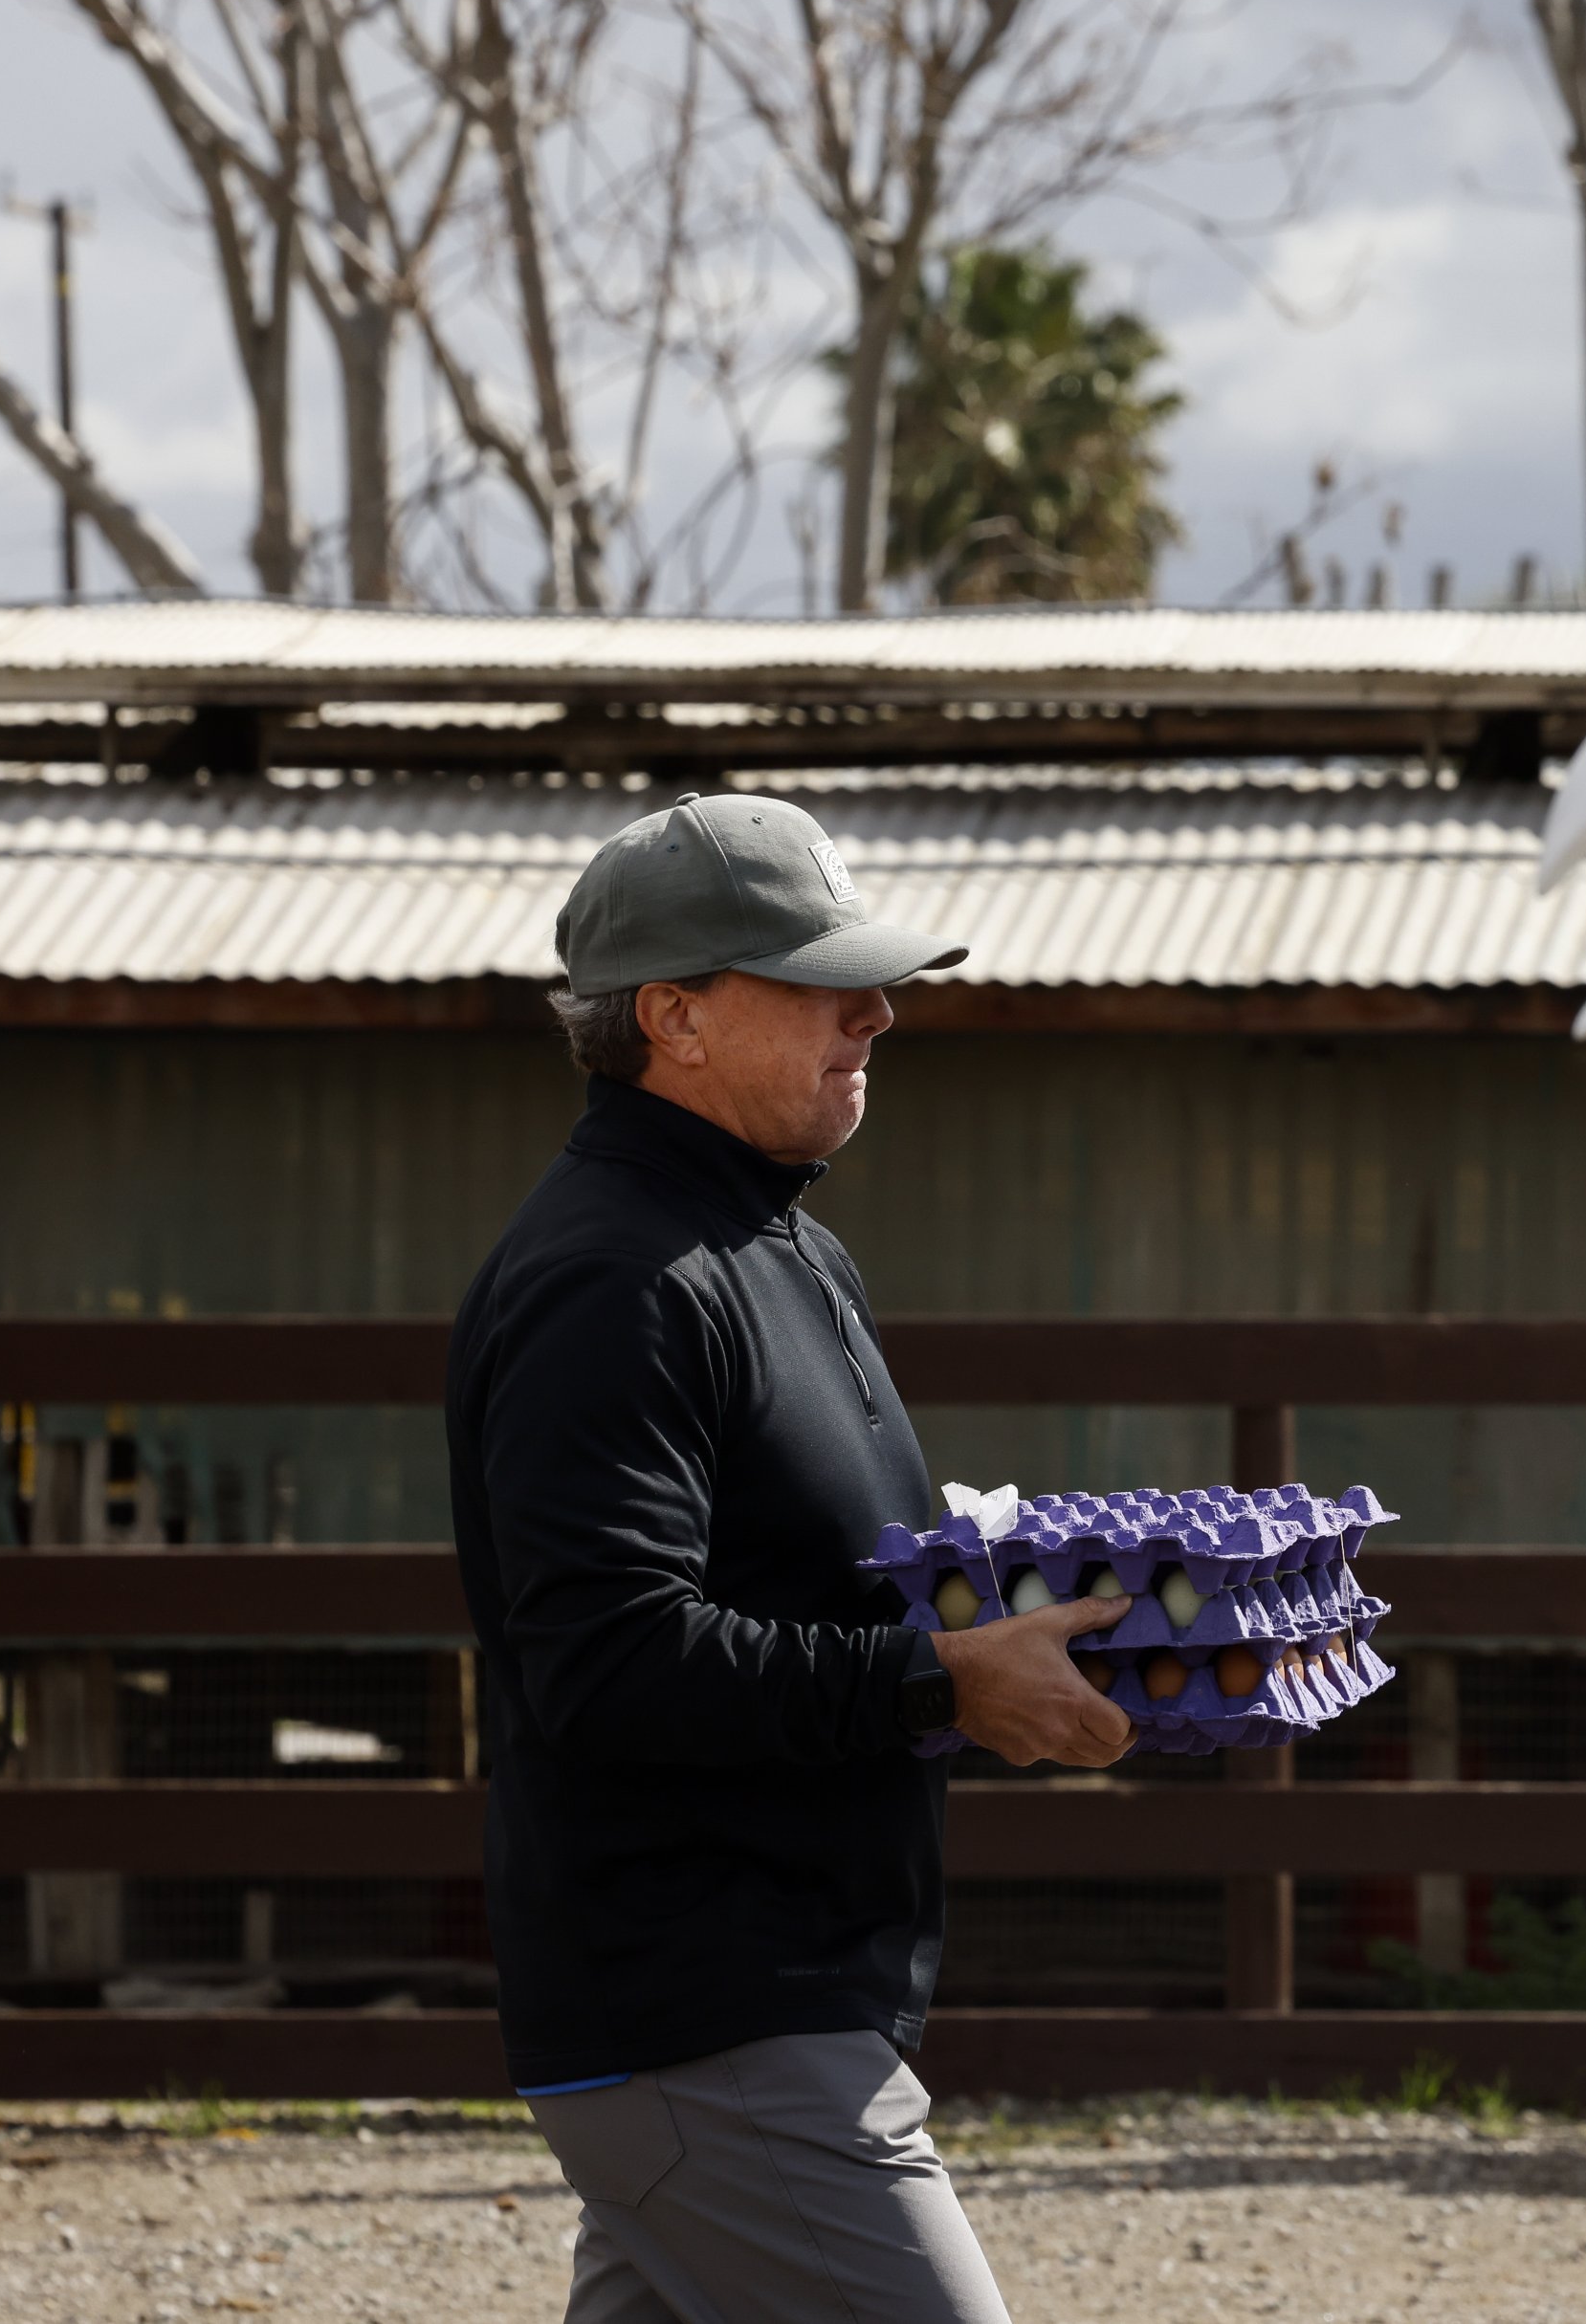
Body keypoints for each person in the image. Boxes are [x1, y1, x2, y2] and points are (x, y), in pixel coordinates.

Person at [449, 791, 1133, 2324]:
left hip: (745, 2010)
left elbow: (798, 1584)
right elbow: (610, 1661)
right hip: (716, 2022)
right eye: (823, 982)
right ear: (674, 1016)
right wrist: (939, 1680)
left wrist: (1003, 1613)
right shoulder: (616, 1280)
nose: (877, 1014)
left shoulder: (774, 1247)